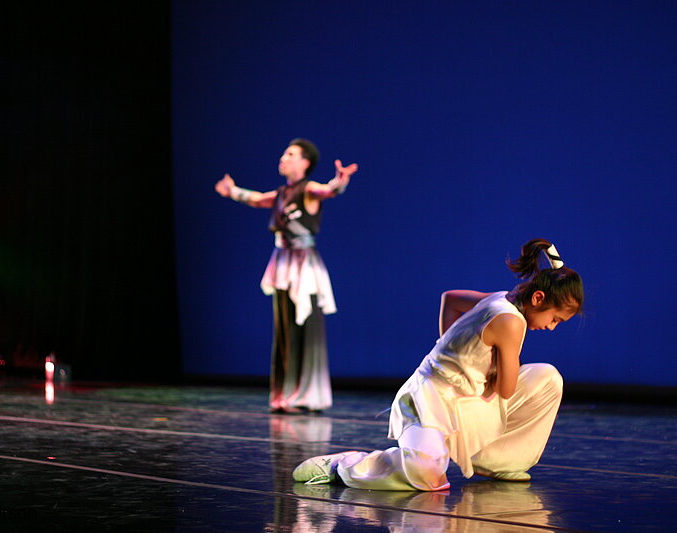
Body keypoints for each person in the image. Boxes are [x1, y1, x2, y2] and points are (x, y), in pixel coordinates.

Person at [292, 238, 583, 490]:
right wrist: (459, 355)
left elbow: (451, 299)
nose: (552, 327)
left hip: (468, 395)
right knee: (426, 475)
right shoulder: (510, 321)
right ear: (538, 298)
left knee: (548, 378)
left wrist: (455, 347)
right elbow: (506, 390)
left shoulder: (500, 299)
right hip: (430, 398)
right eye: (555, 319)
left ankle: (497, 461)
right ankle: (342, 466)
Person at [215, 139, 358, 413]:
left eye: (290, 154)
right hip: (282, 264)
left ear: (305, 162)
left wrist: (340, 182)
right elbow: (257, 199)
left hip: (304, 268)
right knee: (285, 331)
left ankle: (306, 395)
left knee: (303, 329)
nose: (283, 157)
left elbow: (329, 190)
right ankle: (285, 395)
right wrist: (232, 191)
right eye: (284, 153)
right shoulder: (281, 193)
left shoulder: (309, 190)